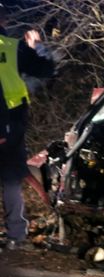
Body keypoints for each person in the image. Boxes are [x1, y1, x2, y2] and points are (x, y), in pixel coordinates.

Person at [0, 3, 55, 250]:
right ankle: (15, 234)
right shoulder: (14, 48)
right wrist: (37, 47)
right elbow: (45, 69)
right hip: (11, 120)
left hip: (10, 120)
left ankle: (15, 233)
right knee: (11, 177)